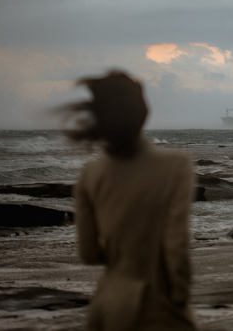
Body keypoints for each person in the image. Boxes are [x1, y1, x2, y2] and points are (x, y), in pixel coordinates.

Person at [62, 70, 196, 331]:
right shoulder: (175, 166)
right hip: (157, 305)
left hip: (108, 304)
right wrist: (180, 295)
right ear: (143, 112)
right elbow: (175, 242)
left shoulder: (90, 174)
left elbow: (88, 254)